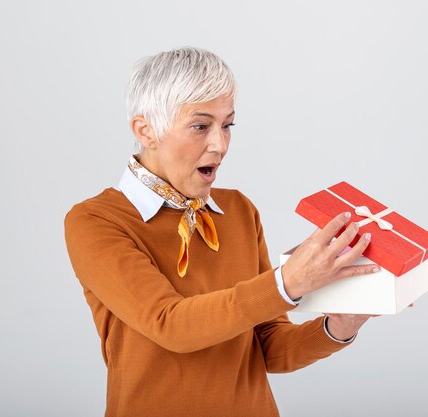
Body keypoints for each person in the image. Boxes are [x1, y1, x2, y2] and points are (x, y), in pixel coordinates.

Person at [63, 46, 380, 417]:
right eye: (201, 126)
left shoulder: (238, 210)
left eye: (227, 124)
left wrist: (341, 324)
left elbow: (268, 348)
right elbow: (171, 325)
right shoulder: (96, 221)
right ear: (145, 131)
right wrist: (287, 283)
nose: (221, 144)